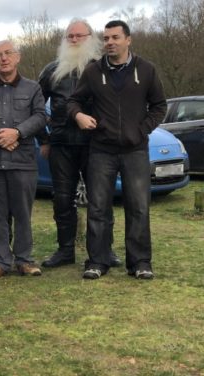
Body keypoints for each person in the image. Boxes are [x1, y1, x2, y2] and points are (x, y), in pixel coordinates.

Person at [67, 20, 167, 279]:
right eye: (106, 38)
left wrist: (140, 130)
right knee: (98, 207)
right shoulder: (93, 71)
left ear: (128, 40)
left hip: (135, 150)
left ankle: (140, 263)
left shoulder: (146, 70)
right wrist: (78, 115)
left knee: (139, 207)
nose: (109, 42)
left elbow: (159, 106)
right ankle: (97, 262)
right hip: (101, 150)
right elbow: (74, 101)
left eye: (115, 37)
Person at [38, 19, 122, 268]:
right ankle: (65, 250)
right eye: (69, 36)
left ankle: (105, 250)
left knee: (101, 198)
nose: (73, 40)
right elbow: (33, 107)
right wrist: (44, 138)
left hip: (97, 145)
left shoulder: (103, 68)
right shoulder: (51, 71)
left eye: (79, 36)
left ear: (90, 37)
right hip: (61, 144)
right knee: (63, 200)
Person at [0, 40, 46, 280]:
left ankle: (24, 260)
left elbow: (41, 116)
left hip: (22, 162)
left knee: (23, 214)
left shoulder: (33, 88)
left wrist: (18, 132)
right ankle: (2, 262)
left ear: (18, 57)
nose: (3, 58)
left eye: (8, 54)